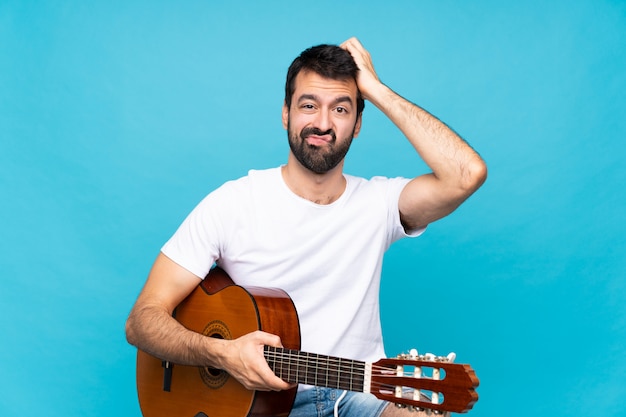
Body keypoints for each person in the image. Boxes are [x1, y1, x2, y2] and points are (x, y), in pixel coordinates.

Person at [126, 37, 487, 417]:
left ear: (359, 123)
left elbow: (467, 174)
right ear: (286, 113)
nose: (323, 123)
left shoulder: (380, 203)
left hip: (358, 395)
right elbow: (142, 321)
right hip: (252, 404)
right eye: (309, 105)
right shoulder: (232, 204)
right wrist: (222, 353)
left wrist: (377, 90)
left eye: (341, 109)